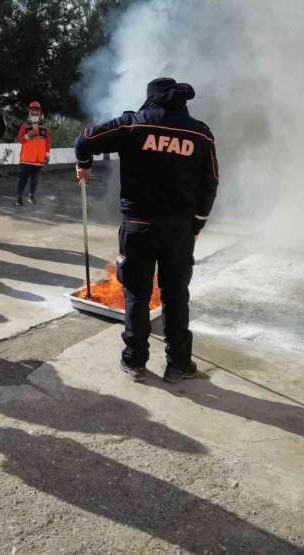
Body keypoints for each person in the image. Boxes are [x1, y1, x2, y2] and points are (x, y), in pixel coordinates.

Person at [73, 78, 220, 383]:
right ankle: (179, 363)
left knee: (137, 294)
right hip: (179, 229)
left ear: (151, 99)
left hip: (138, 226)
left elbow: (84, 140)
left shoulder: (132, 125)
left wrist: (83, 163)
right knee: (176, 294)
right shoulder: (200, 133)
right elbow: (210, 183)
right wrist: (197, 225)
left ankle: (134, 361)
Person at [16, 101, 50, 206]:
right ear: (29, 113)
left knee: (35, 179)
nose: (35, 115)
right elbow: (21, 139)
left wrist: (47, 155)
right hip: (27, 158)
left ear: (40, 113)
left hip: (39, 159)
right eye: (33, 113)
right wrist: (28, 135)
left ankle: (31, 195)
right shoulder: (25, 126)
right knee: (24, 178)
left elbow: (47, 142)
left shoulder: (44, 127)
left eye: (37, 113)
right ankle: (19, 197)